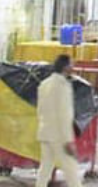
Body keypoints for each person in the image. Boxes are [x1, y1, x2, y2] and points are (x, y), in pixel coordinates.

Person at [35, 54, 82, 187]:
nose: (73, 67)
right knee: (71, 170)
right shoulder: (62, 86)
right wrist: (68, 140)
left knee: (45, 169)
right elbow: (65, 115)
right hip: (59, 136)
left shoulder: (44, 84)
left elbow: (40, 110)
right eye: (71, 64)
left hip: (45, 132)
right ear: (66, 67)